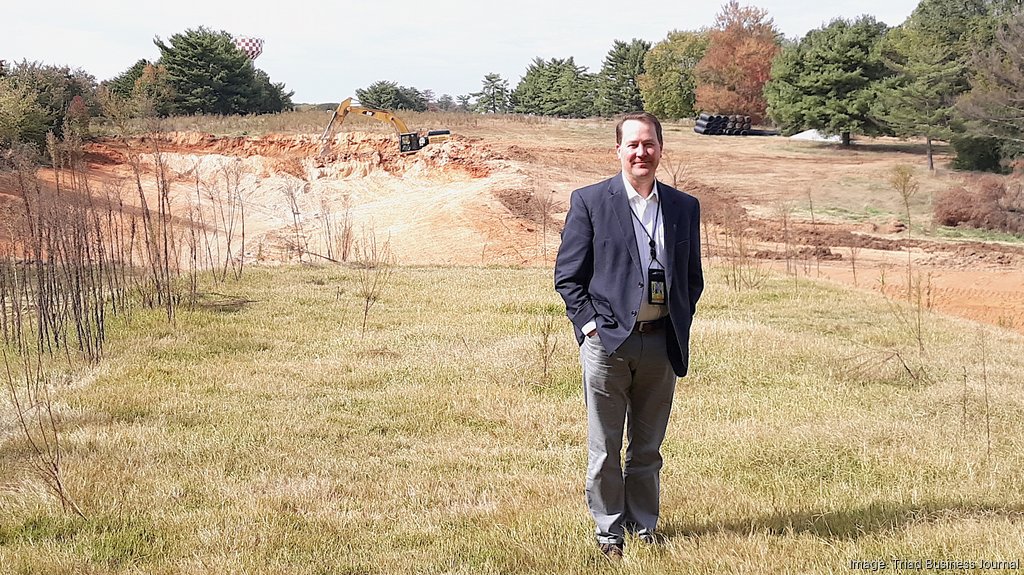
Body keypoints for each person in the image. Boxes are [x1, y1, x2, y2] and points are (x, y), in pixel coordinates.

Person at [554, 111, 703, 559]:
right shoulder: (591, 201)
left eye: (649, 144)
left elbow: (691, 278)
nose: (642, 152)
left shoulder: (683, 207)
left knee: (648, 448)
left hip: (661, 342)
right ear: (618, 150)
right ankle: (608, 530)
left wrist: (678, 319)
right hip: (608, 345)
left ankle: (643, 526)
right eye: (633, 144)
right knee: (604, 447)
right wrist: (589, 327)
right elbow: (568, 276)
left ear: (661, 148)